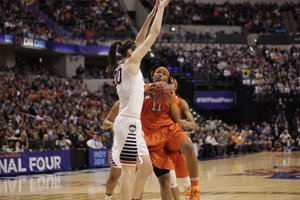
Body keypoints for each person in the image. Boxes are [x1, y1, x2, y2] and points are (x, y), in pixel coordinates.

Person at [105, 0, 170, 199]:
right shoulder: (131, 63)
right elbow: (154, 34)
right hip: (128, 122)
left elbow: (139, 39)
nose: (141, 48)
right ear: (132, 52)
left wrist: (149, 15)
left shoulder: (122, 64)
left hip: (133, 123)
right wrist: (161, 8)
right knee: (128, 172)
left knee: (146, 168)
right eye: (137, 48)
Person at [142, 64, 200, 200]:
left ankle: (195, 188)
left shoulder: (171, 94)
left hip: (169, 130)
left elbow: (176, 118)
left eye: (164, 73)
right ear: (152, 76)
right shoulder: (142, 88)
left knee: (189, 147)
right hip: (150, 135)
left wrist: (168, 101)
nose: (160, 74)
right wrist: (143, 94)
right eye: (158, 72)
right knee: (165, 180)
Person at [169, 78, 196, 200]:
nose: (169, 85)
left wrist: (186, 122)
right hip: (164, 141)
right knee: (170, 179)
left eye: (171, 83)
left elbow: (193, 124)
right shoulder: (158, 101)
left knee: (186, 182)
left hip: (177, 140)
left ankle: (189, 192)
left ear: (175, 87)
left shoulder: (181, 102)